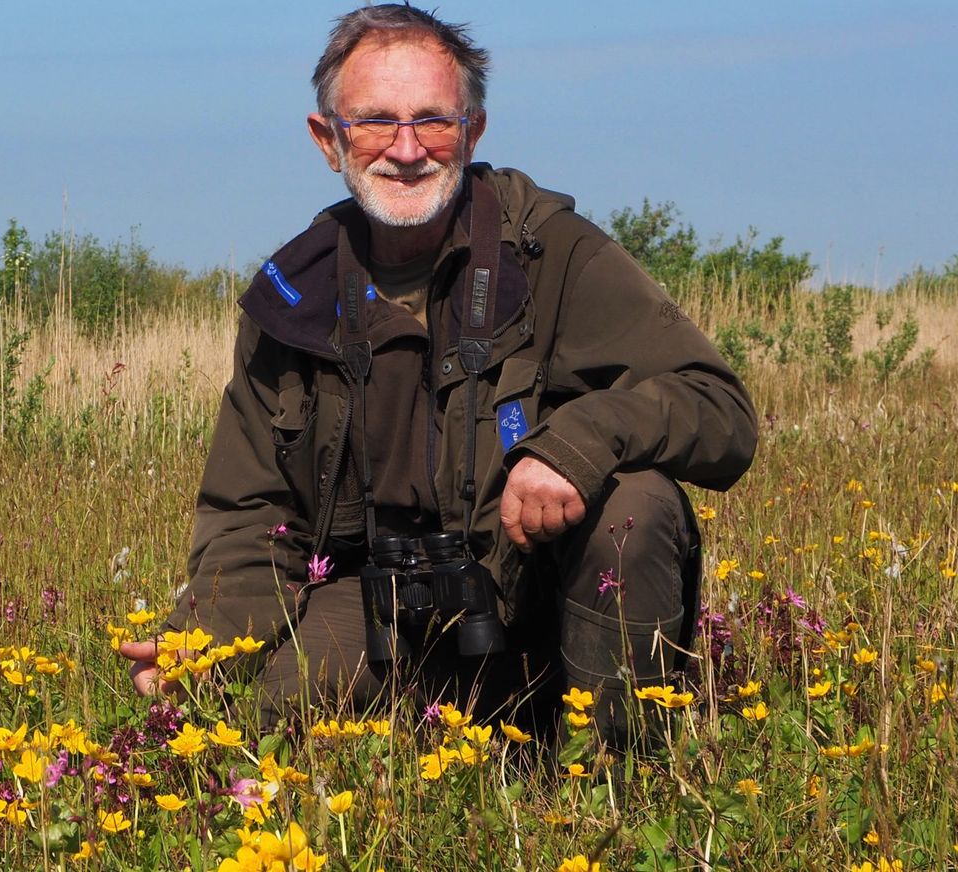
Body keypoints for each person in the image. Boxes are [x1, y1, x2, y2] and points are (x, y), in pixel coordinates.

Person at [118, 4, 756, 744]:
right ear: (329, 140)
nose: (408, 148)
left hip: (537, 610)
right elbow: (253, 513)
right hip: (387, 618)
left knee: (635, 507)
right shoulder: (292, 298)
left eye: (434, 121)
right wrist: (199, 643)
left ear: (474, 131)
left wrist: (575, 446)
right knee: (249, 718)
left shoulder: (553, 254)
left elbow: (722, 413)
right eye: (376, 122)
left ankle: (619, 778)